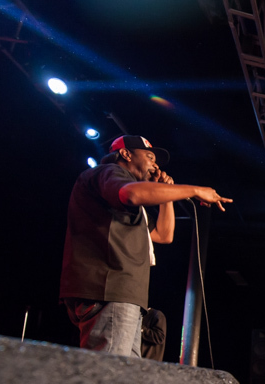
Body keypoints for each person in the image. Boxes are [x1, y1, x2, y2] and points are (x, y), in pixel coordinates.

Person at [60, 135, 231, 356]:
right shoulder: (108, 172)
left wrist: (166, 193)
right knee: (110, 372)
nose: (155, 165)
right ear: (126, 154)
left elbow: (163, 235)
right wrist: (195, 190)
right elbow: (131, 193)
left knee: (126, 373)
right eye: (149, 157)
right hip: (109, 290)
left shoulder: (127, 202)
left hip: (124, 295)